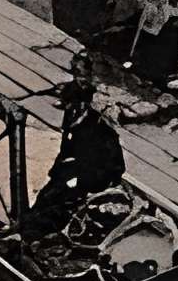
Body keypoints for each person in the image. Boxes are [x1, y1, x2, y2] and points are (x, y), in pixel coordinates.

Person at [18, 76, 126, 243]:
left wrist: (78, 181)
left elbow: (112, 169)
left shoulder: (101, 133)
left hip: (89, 184)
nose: (68, 108)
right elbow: (66, 150)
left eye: (71, 103)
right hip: (68, 176)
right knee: (44, 200)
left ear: (83, 104)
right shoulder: (72, 118)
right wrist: (57, 173)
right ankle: (27, 234)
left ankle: (38, 239)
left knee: (55, 212)